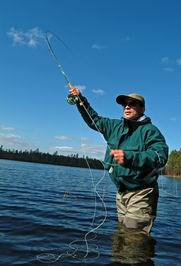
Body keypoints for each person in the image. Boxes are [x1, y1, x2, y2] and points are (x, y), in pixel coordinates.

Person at [69, 86, 168, 234]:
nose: (127, 106)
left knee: (133, 238)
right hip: (121, 192)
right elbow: (93, 119)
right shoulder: (114, 126)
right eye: (125, 104)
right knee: (121, 234)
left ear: (142, 108)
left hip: (142, 192)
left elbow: (160, 156)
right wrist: (80, 100)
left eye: (132, 103)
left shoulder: (150, 130)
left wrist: (130, 157)